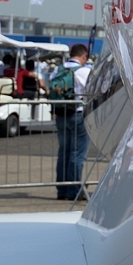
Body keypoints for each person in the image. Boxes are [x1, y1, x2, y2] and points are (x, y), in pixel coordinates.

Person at [51, 44, 92, 201]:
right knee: (77, 153)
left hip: (61, 114)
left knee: (64, 152)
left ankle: (62, 190)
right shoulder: (84, 71)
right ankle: (74, 190)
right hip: (78, 113)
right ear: (83, 56)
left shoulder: (58, 70)